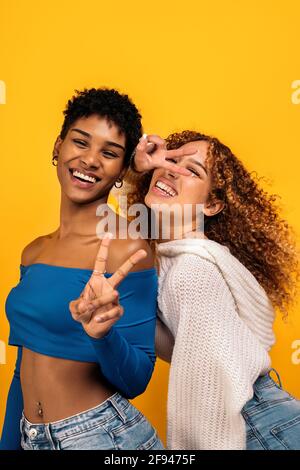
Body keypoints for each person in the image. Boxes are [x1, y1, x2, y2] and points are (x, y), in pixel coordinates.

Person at [0, 88, 166, 450]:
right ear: (58, 146)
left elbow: (137, 379)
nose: (90, 160)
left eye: (109, 153)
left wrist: (102, 335)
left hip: (103, 437)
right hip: (33, 437)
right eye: (80, 142)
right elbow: (24, 366)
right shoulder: (33, 251)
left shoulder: (129, 249)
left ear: (122, 171)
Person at [131, 130, 300, 450]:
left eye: (192, 170)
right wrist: (136, 167)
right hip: (267, 421)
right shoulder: (174, 257)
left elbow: (209, 395)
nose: (172, 170)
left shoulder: (191, 273)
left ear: (211, 205)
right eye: (171, 159)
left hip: (256, 427)